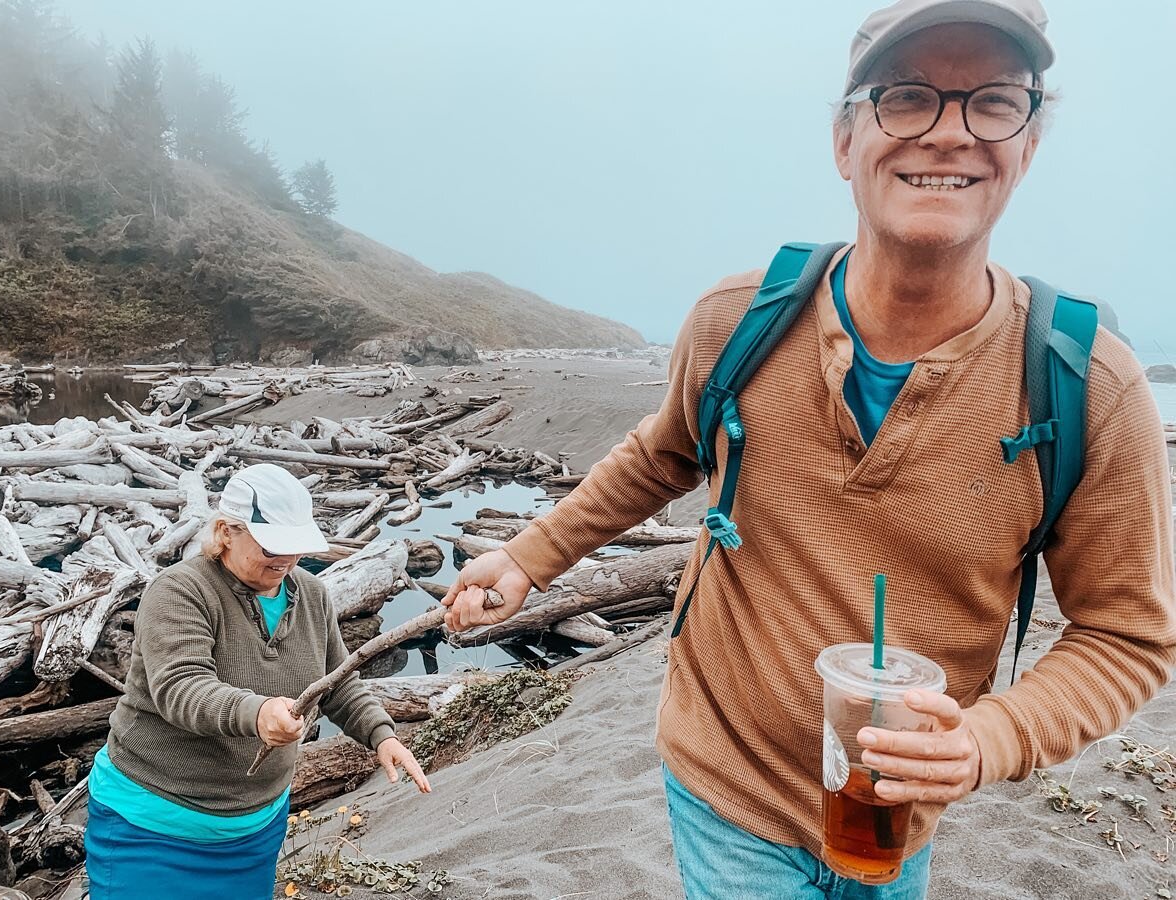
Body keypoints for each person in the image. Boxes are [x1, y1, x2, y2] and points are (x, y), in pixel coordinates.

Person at [442, 1, 1176, 897]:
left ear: (1028, 145)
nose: (949, 135)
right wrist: (529, 556)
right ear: (844, 140)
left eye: (992, 102)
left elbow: (1126, 634)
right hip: (725, 777)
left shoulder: (1089, 384)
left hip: (900, 811)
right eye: (907, 97)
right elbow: (664, 452)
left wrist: (986, 740)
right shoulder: (737, 322)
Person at [84, 463, 430, 900]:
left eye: (296, 546)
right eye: (272, 546)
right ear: (227, 532)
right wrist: (258, 712)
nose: (286, 560)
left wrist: (381, 735)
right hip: (151, 827)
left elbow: (337, 683)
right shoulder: (179, 591)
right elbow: (181, 687)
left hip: (254, 830)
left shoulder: (312, 594)